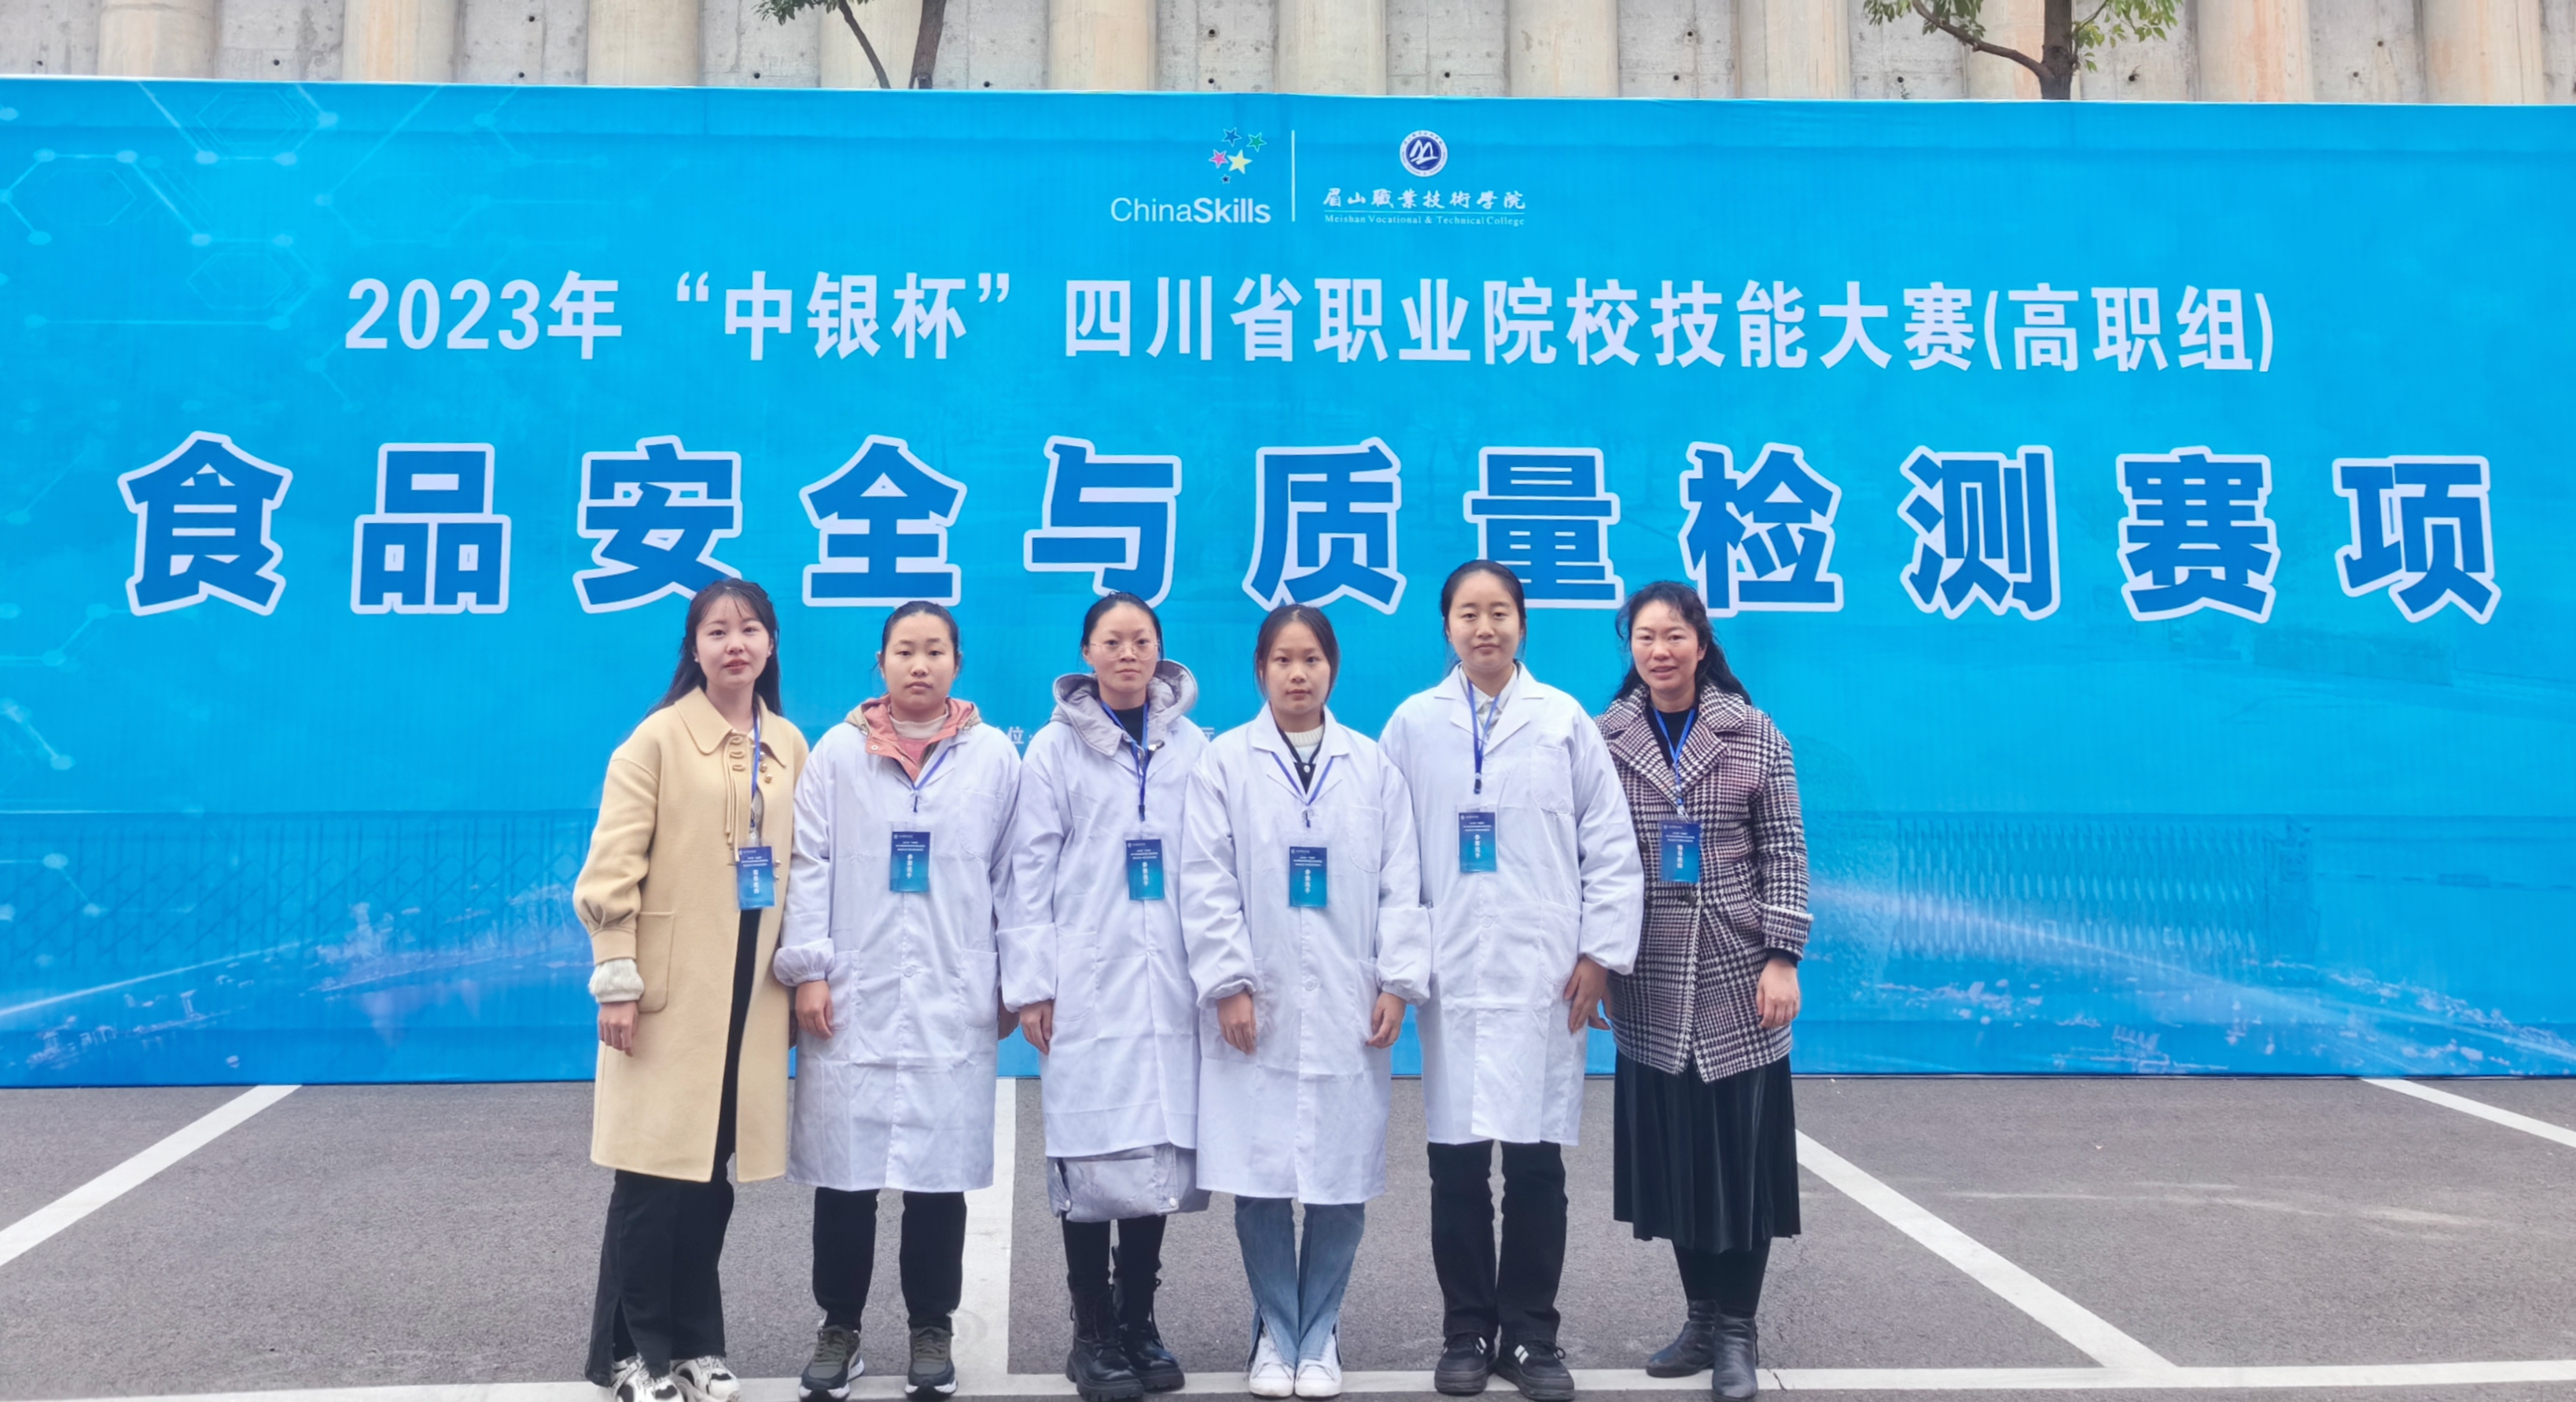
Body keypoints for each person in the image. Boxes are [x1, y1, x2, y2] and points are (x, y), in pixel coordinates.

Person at [1380, 562, 1643, 1402]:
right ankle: (1465, 1329)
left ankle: (1531, 1333)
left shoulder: (1562, 720)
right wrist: (1398, 964)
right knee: (1456, 1166)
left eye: (1499, 612)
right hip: (1453, 972)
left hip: (1543, 975)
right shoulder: (1413, 724)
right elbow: (1388, 854)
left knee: (1535, 1167)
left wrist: (1599, 954)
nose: (1484, 627)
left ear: (1523, 623)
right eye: (1468, 613)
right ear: (1446, 626)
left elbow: (1610, 845)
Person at [1179, 604, 1431, 1401]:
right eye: (1283, 660)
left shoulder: (1373, 766)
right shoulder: (1225, 762)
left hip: (1350, 1002)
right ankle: (1275, 1331)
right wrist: (1229, 982)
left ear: (1333, 669)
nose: (1298, 674)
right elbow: (1205, 880)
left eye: (1311, 659)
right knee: (1259, 1177)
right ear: (1260, 670)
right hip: (1258, 1002)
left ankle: (1320, 1332)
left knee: (1339, 1178)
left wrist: (1397, 980)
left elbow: (1403, 882)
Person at [774, 602, 1022, 1402]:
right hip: (855, 989)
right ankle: (839, 1327)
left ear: (958, 662)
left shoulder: (993, 756)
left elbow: (1014, 874)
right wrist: (810, 969)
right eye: (905, 650)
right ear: (880, 662)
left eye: (935, 650)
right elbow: (809, 861)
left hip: (952, 987)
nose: (920, 664)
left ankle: (930, 1328)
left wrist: (1013, 978)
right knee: (846, 1176)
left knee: (937, 1177)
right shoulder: (838, 753)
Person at [576, 580, 809, 1402]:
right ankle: (628, 1354)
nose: (735, 643)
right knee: (651, 1176)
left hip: (749, 996)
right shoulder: (658, 740)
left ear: (770, 644)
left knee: (709, 1179)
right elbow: (611, 869)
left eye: (750, 629)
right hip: (668, 993)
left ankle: (695, 1345)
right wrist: (617, 979)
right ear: (695, 648)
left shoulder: (789, 744)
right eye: (717, 631)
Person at [1594, 583, 1808, 1402]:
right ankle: (1700, 1316)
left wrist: (1782, 955)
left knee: (1739, 1162)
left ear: (1702, 642)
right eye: (1646, 637)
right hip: (1648, 972)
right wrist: (1599, 957)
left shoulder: (1754, 733)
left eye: (1674, 635)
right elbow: (1592, 856)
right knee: (1679, 1159)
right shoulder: (1606, 738)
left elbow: (1785, 848)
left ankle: (1738, 1331)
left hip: (1737, 972)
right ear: (1631, 647)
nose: (1660, 651)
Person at [1000, 592, 1213, 1401]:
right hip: (1085, 979)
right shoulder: (1054, 751)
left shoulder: (1193, 746)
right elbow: (1028, 869)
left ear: (1160, 651)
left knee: (1155, 1150)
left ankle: (1137, 1319)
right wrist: (1033, 983)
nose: (1129, 653)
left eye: (1142, 640)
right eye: (1113, 641)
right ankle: (1090, 1332)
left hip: (1170, 980)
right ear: (1087, 653)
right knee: (1093, 1157)